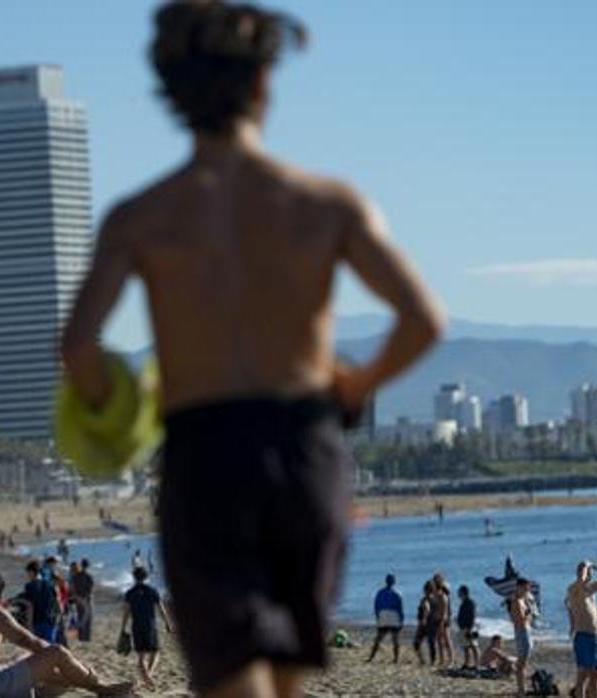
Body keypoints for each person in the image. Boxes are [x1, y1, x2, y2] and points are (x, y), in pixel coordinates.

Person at [58, 2, 444, 696]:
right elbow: (422, 320)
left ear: (172, 95)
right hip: (306, 446)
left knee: (233, 683)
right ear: (264, 85)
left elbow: (78, 347)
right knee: (286, 681)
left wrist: (115, 417)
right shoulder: (326, 203)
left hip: (204, 450)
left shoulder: (142, 216)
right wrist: (355, 387)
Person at [0, 570, 131, 698]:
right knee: (56, 653)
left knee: (29, 662)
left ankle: (83, 681)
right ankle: (101, 688)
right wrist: (63, 657)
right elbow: (26, 639)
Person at [565, 561, 597, 698]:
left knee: (596, 675)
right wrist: (585, 567)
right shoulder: (574, 589)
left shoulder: (591, 590)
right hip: (584, 636)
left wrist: (594, 565)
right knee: (582, 676)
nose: (590, 575)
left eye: (591, 573)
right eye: (588, 572)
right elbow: (580, 579)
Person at [121, 566, 174, 690]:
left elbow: (126, 612)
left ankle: (147, 677)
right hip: (150, 626)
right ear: (146, 577)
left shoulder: (130, 592)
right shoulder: (152, 591)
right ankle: (149, 676)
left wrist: (123, 628)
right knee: (155, 652)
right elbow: (161, 609)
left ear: (134, 577)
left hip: (136, 626)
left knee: (140, 656)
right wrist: (167, 623)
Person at [18, 559, 61, 643]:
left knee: (39, 648)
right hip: (51, 620)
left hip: (38, 621)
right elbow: (57, 602)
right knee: (50, 647)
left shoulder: (30, 586)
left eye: (28, 573)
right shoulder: (50, 584)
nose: (28, 576)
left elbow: (30, 605)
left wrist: (29, 624)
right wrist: (58, 618)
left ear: (31, 572)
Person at [366, 574, 404, 664]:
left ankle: (371, 656)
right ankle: (396, 659)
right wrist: (401, 620)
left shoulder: (380, 592)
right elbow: (400, 609)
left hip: (383, 614)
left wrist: (377, 616)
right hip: (393, 615)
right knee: (395, 638)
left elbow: (376, 606)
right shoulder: (397, 593)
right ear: (394, 582)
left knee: (379, 637)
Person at [507, 578, 535, 697]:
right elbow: (520, 621)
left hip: (526, 632)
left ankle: (522, 689)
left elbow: (529, 620)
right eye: (525, 588)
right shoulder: (516, 601)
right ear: (519, 587)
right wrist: (529, 613)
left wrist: (529, 609)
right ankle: (521, 690)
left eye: (527, 588)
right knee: (521, 663)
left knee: (524, 663)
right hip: (521, 633)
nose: (527, 590)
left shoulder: (523, 600)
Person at [432, 574, 454, 667]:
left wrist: (441, 623)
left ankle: (451, 660)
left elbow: (444, 612)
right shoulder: (436, 594)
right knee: (439, 641)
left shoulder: (443, 596)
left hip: (443, 620)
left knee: (447, 639)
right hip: (437, 619)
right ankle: (442, 659)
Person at [71, 558, 96, 642]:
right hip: (87, 600)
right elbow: (90, 590)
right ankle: (86, 637)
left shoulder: (76, 576)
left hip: (78, 600)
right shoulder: (89, 576)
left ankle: (81, 636)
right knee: (88, 619)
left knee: (80, 617)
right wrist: (85, 598)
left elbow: (73, 589)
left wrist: (77, 598)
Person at [412, 581, 436, 665]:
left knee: (417, 642)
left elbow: (426, 609)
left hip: (425, 624)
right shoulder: (434, 599)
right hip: (433, 623)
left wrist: (424, 619)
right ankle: (432, 661)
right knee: (431, 643)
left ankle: (422, 660)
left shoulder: (425, 600)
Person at [457, 585, 478, 669]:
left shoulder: (470, 602)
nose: (458, 594)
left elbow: (472, 616)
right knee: (466, 646)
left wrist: (470, 628)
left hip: (468, 627)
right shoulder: (464, 602)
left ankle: (476, 663)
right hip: (463, 627)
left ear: (463, 593)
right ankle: (467, 663)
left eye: (459, 592)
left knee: (473, 646)